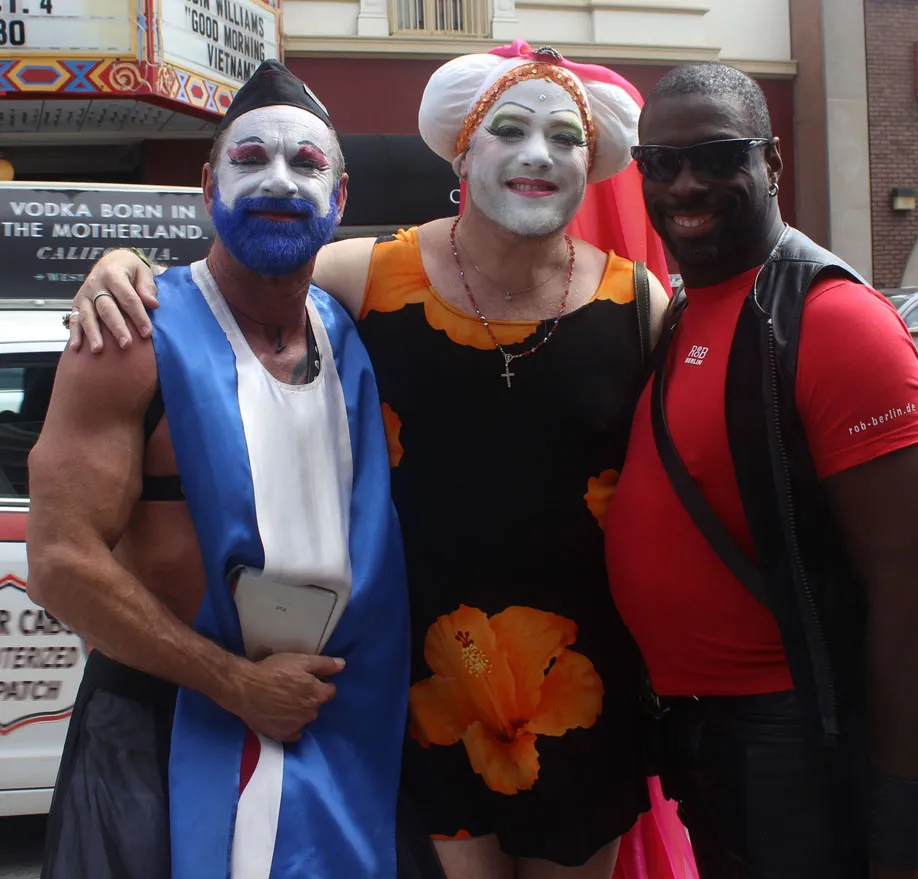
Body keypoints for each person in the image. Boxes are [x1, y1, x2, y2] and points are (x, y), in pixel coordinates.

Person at [63, 42, 696, 879]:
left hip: (582, 678)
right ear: (462, 154)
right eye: (509, 129)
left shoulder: (639, 302)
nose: (538, 155)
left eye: (565, 138)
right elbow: (235, 284)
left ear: (592, 166)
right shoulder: (368, 276)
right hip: (421, 686)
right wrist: (121, 268)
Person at [26, 60, 411, 879]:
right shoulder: (131, 336)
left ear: (339, 198)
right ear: (209, 185)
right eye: (251, 158)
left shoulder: (352, 325)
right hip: (164, 726)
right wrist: (233, 682)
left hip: (328, 722)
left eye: (307, 163)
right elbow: (61, 561)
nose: (280, 181)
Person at [605, 62, 918, 879]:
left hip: (796, 745)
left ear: (770, 162)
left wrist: (900, 847)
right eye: (660, 162)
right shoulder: (687, 307)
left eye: (716, 156)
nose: (685, 183)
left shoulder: (832, 321)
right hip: (705, 740)